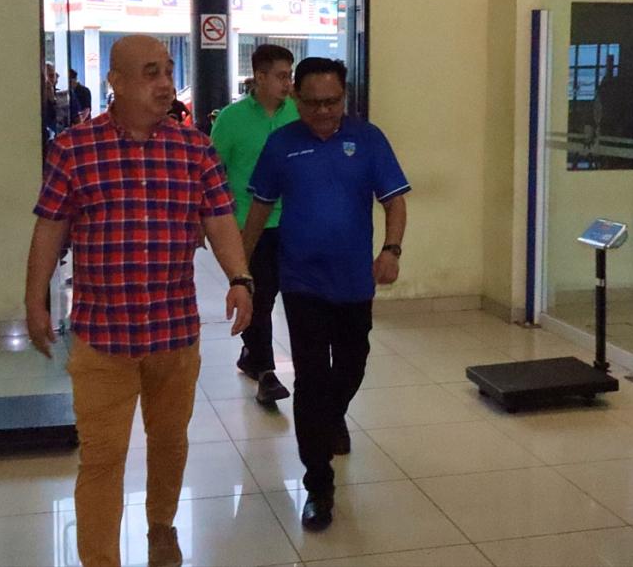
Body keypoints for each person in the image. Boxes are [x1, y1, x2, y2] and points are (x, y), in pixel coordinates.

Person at [24, 35, 253, 567]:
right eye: (151, 73)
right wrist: (35, 299)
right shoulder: (74, 148)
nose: (166, 83)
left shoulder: (194, 149)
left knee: (169, 441)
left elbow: (219, 218)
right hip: (103, 335)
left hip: (174, 331)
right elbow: (50, 227)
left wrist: (240, 277)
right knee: (102, 458)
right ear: (116, 82)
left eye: (168, 70)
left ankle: (161, 526)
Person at [242, 57, 409, 533]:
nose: (322, 112)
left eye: (331, 102)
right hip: (302, 282)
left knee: (353, 365)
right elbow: (259, 208)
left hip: (354, 281)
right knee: (312, 379)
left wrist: (391, 250)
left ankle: (329, 418)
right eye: (312, 103)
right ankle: (318, 484)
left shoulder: (368, 138)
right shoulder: (282, 144)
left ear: (344, 97)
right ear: (296, 98)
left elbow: (394, 200)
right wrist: (241, 271)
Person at [211, 44, 299, 405]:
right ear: (259, 77)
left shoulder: (298, 113)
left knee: (293, 297)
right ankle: (265, 372)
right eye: (281, 76)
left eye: (290, 75)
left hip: (294, 223)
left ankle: (251, 356)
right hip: (249, 227)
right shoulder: (231, 119)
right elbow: (213, 174)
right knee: (258, 299)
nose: (288, 83)